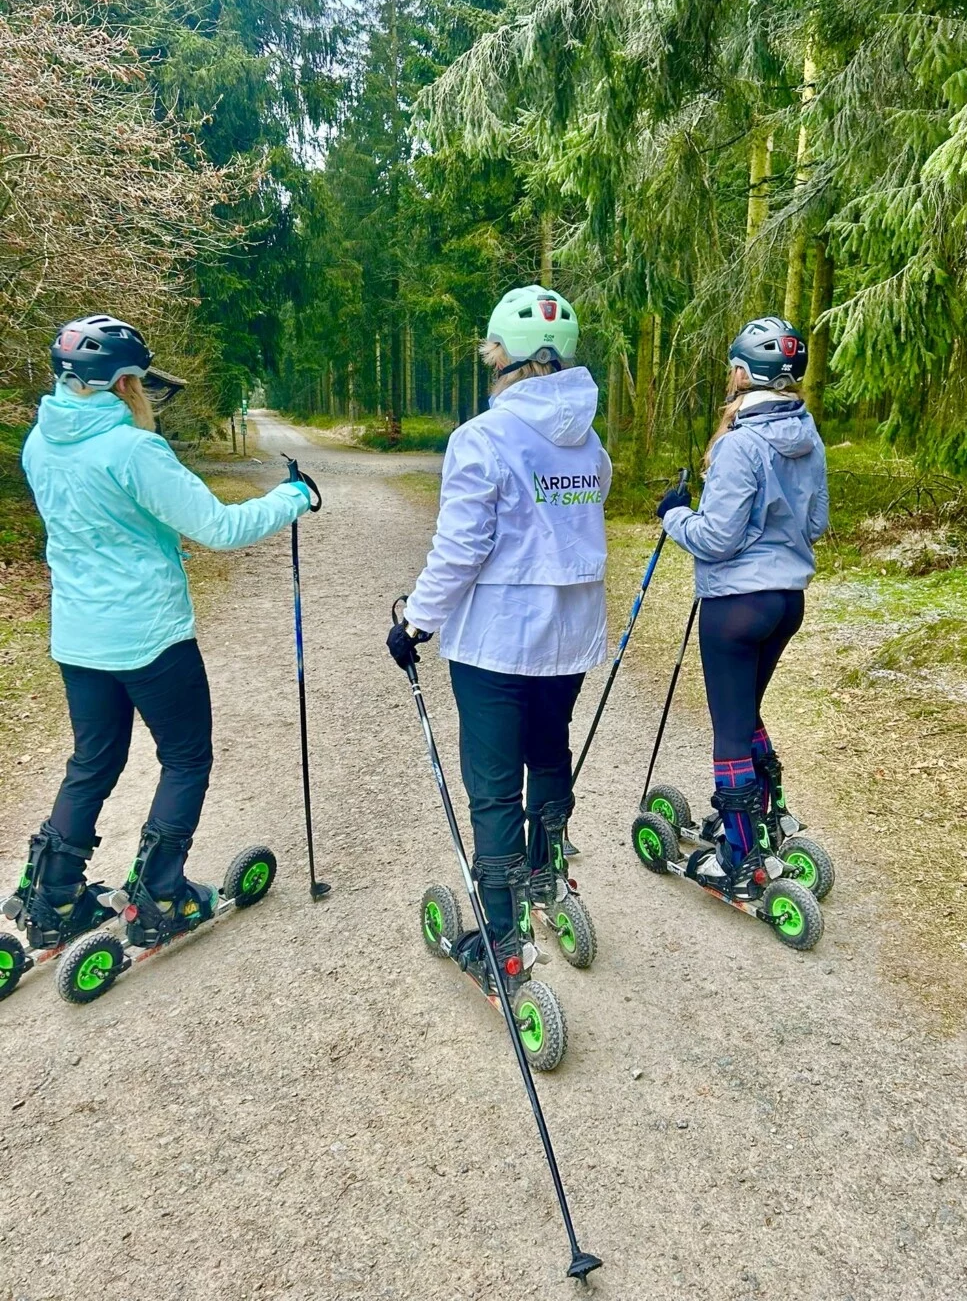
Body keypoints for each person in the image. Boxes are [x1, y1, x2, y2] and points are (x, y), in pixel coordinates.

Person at [5, 315, 312, 952]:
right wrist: (293, 499)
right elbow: (220, 528)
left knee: (93, 761)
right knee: (185, 756)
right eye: (139, 379)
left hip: (79, 636)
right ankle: (161, 894)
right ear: (121, 383)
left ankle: (52, 897)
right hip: (148, 635)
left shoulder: (40, 442)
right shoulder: (133, 450)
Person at [386, 285, 610, 990]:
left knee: (491, 785)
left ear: (497, 353)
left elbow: (461, 548)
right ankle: (547, 878)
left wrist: (416, 622)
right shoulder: (588, 437)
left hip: (496, 644)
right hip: (568, 638)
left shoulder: (481, 438)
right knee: (548, 753)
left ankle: (504, 935)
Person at [656, 315, 829, 895]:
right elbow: (818, 523)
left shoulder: (740, 444)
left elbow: (716, 538)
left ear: (743, 372)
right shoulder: (807, 434)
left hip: (735, 606)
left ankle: (739, 854)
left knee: (730, 728)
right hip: (787, 602)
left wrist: (675, 514)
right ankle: (766, 812)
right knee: (745, 710)